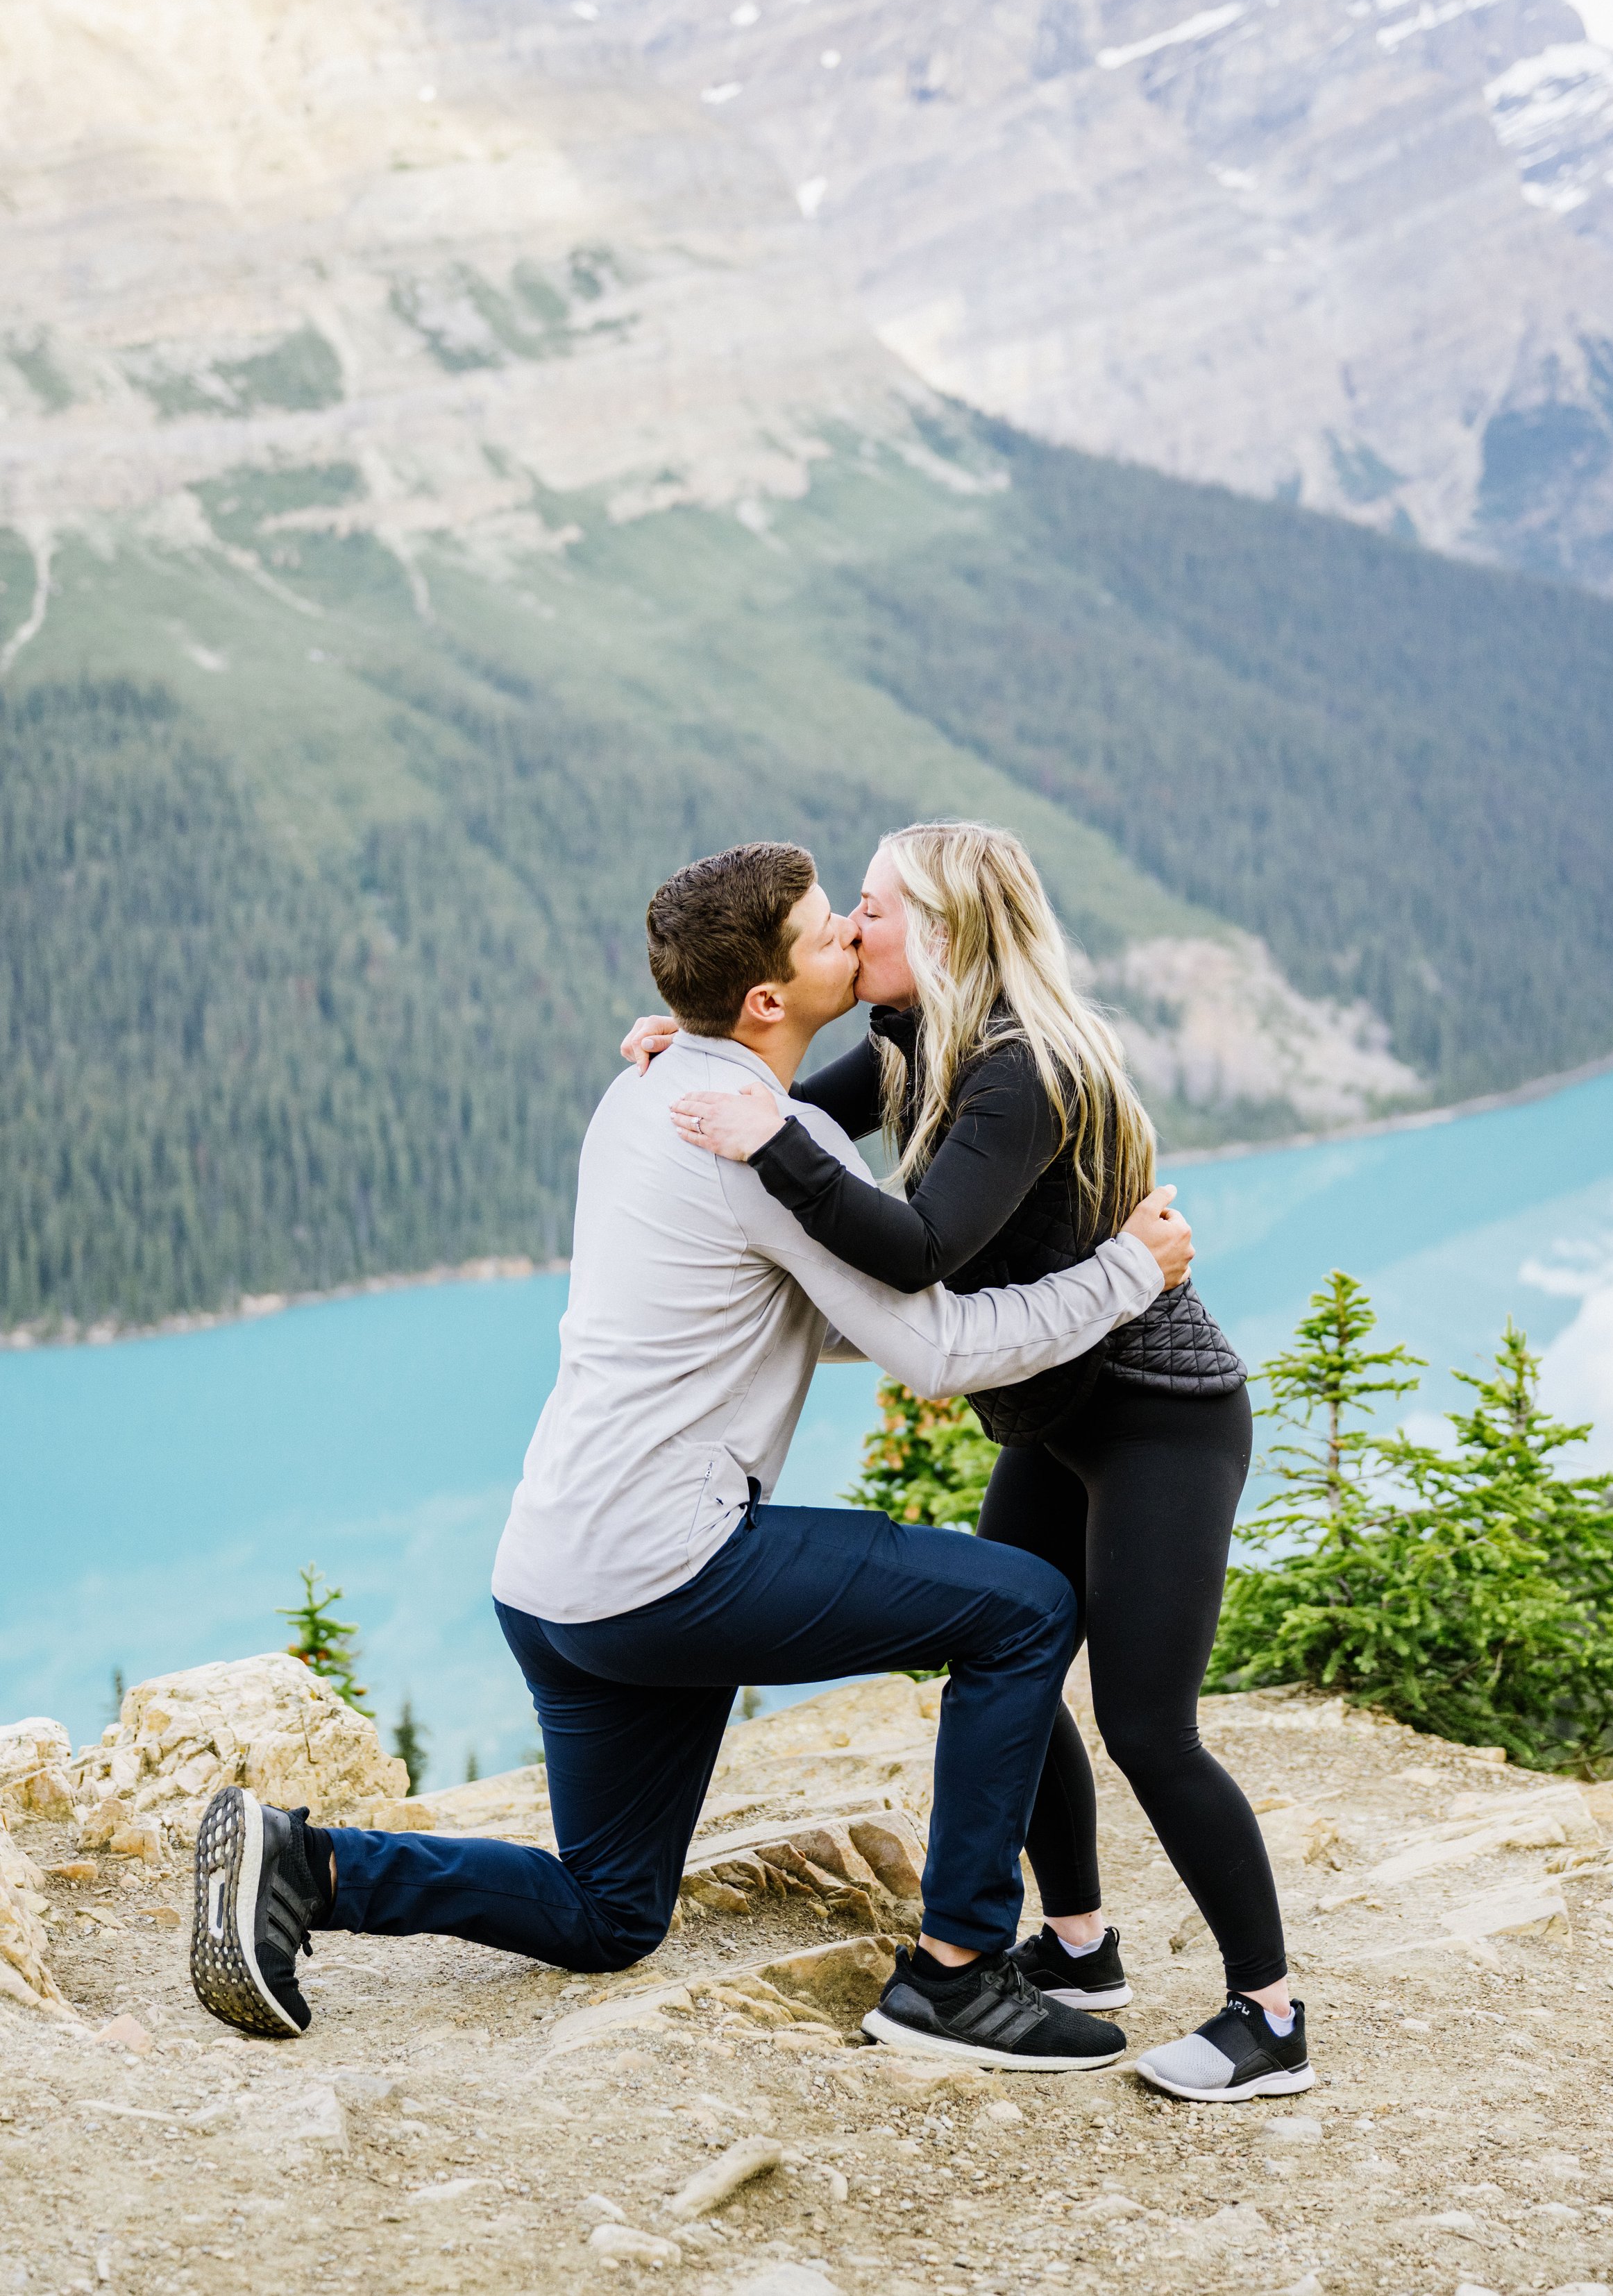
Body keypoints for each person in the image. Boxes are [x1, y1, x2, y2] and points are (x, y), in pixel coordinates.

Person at [190, 840, 1194, 2076]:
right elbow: (934, 1351)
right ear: (767, 1001)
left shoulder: (651, 1095)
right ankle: (959, 1974)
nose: (854, 937)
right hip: (670, 1571)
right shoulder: (765, 1146)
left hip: (552, 1581)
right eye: (832, 928)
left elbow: (778, 1310)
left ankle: (308, 1861)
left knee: (611, 1913)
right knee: (1026, 1609)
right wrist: (1125, 1275)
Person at [627, 819, 1312, 2105]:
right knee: (1007, 1652)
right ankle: (1078, 1945)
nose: (851, 928)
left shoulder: (1021, 1071)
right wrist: (702, 1052)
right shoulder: (909, 1038)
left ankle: (1270, 2019)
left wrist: (755, 1133)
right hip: (1059, 1417)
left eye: (873, 907)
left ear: (938, 929)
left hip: (1161, 1416)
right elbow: (798, 1119)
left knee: (1148, 1725)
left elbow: (915, 1245)